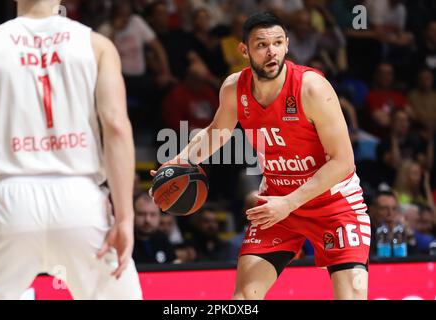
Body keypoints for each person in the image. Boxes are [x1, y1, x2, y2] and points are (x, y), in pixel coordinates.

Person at [151, 12, 370, 299]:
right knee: (243, 300)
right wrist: (179, 161)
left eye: (278, 43)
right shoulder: (234, 88)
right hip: (275, 204)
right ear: (244, 50)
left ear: (287, 45)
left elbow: (343, 162)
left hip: (333, 205)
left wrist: (290, 202)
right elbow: (217, 131)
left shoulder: (312, 88)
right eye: (262, 45)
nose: (272, 52)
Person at [0, 0, 142, 299]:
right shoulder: (97, 45)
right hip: (81, 200)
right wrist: (124, 218)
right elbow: (116, 127)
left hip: (8, 197)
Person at [133, 193, 178, 264]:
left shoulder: (163, 240)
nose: (147, 220)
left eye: (152, 214)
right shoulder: (124, 241)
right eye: (141, 214)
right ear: (133, 214)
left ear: (159, 216)